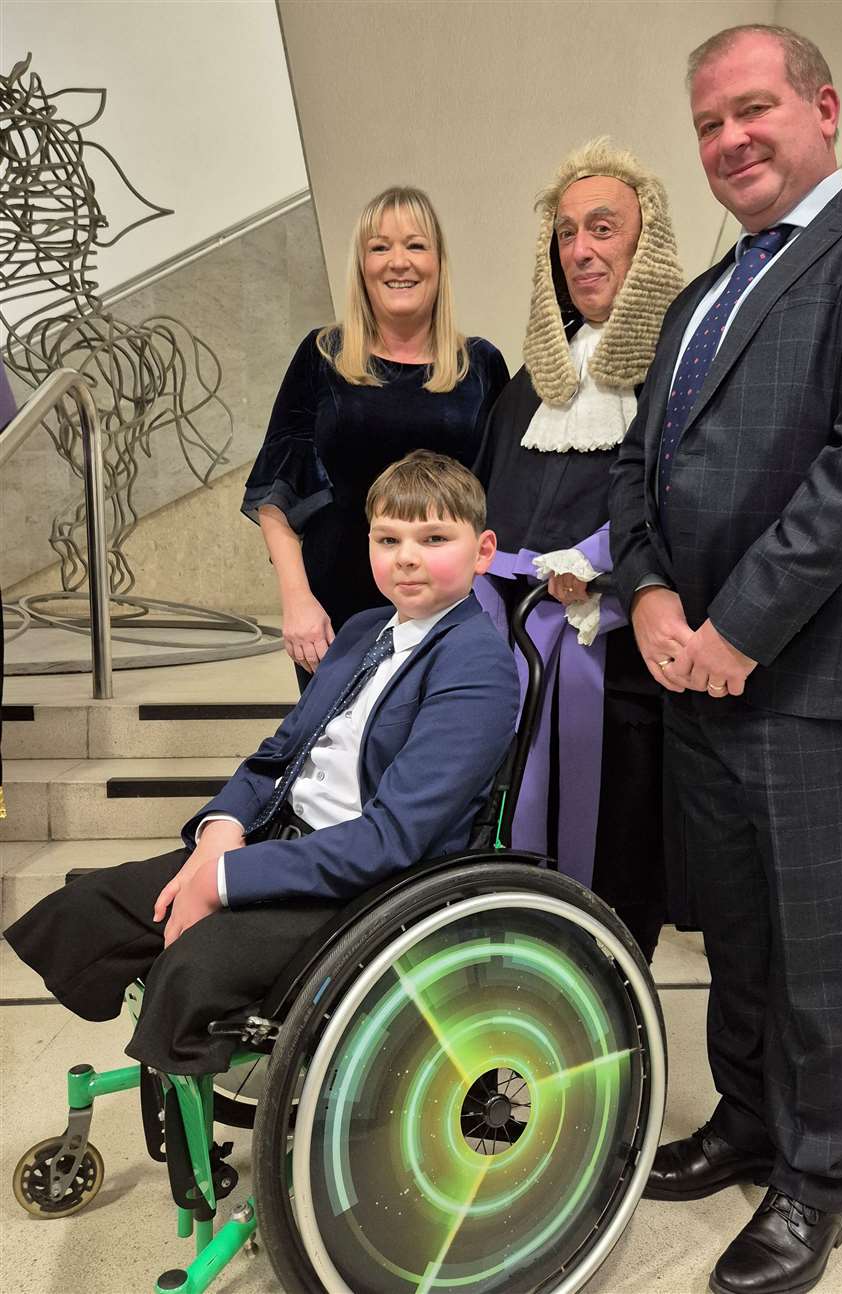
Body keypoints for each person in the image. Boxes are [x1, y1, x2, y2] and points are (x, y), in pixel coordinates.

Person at [609, 24, 842, 1294]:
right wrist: (650, 595)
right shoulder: (707, 289)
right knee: (740, 938)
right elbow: (635, 467)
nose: (728, 140)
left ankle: (818, 1177)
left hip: (808, 673)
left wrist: (735, 628)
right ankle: (751, 1120)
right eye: (708, 123)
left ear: (822, 107)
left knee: (821, 945)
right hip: (691, 667)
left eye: (752, 110)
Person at [6, 451, 519, 1076]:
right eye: (388, 539)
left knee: (193, 968)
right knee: (89, 909)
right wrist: (220, 831)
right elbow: (279, 755)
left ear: (482, 550)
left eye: (433, 538)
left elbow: (394, 838)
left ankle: (196, 1109)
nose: (406, 556)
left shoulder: (478, 665)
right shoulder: (362, 631)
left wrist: (225, 881)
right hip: (282, 840)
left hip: (370, 885)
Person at [473, 138, 684, 961]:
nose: (582, 250)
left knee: (621, 854)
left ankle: (612, 1037)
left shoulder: (681, 368)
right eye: (566, 234)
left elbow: (689, 500)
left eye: (603, 228)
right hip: (521, 658)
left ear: (647, 242)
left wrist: (598, 565)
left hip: (626, 674)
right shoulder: (529, 383)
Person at [244, 187, 509, 686]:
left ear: (438, 261)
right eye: (379, 247)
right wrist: (297, 602)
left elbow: (507, 495)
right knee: (339, 759)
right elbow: (276, 495)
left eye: (415, 245)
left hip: (450, 612)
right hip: (335, 612)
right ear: (361, 264)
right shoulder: (322, 356)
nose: (398, 262)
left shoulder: (482, 366)